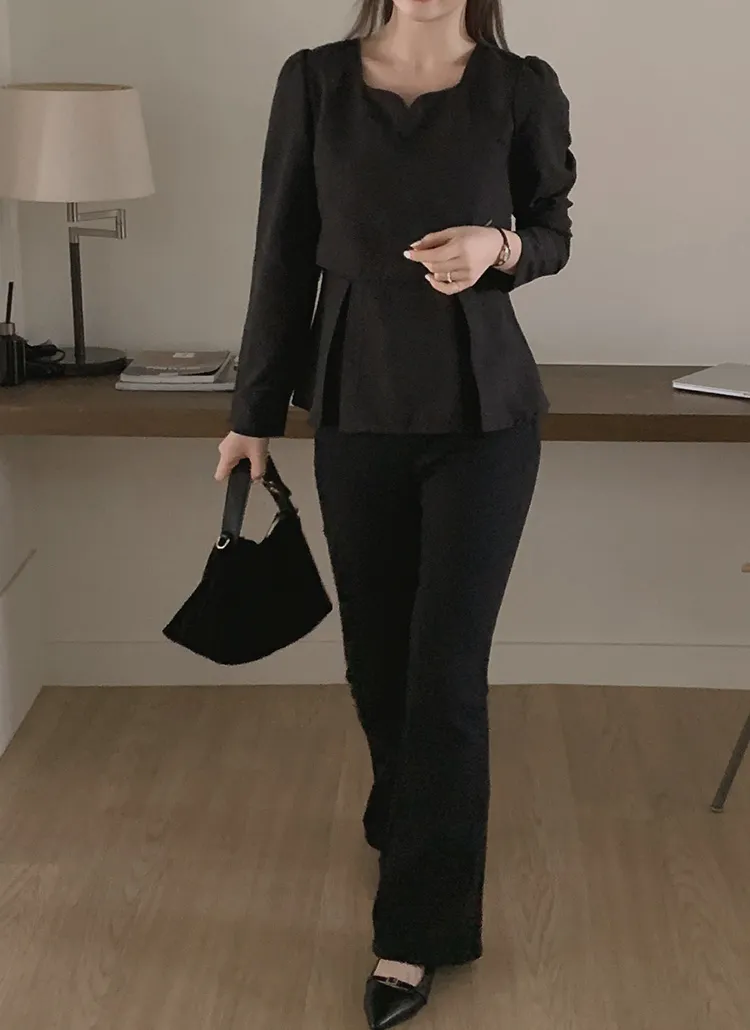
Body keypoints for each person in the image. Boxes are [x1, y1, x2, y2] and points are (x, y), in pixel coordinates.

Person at [215, 0, 576, 1026]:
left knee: (445, 677)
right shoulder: (315, 81)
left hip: (485, 417)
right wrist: (252, 414)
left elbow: (552, 232)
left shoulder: (520, 87)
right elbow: (281, 247)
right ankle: (412, 812)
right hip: (356, 407)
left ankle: (416, 932)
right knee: (378, 662)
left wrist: (500, 247)